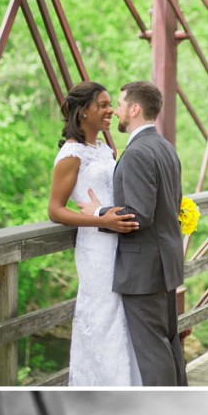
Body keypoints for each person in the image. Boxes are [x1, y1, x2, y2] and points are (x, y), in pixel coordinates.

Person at [78, 83, 187, 387]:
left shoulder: (138, 152)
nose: (116, 110)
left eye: (122, 104)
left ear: (135, 109)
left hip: (143, 270)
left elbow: (139, 215)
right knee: (169, 345)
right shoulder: (165, 147)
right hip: (165, 264)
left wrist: (99, 213)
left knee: (153, 354)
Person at [48, 82, 142, 387]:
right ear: (84, 111)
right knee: (102, 317)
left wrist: (110, 218)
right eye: (102, 105)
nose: (110, 111)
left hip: (117, 241)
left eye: (109, 105)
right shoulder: (71, 154)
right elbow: (55, 210)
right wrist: (101, 221)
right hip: (96, 249)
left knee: (121, 318)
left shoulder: (104, 149)